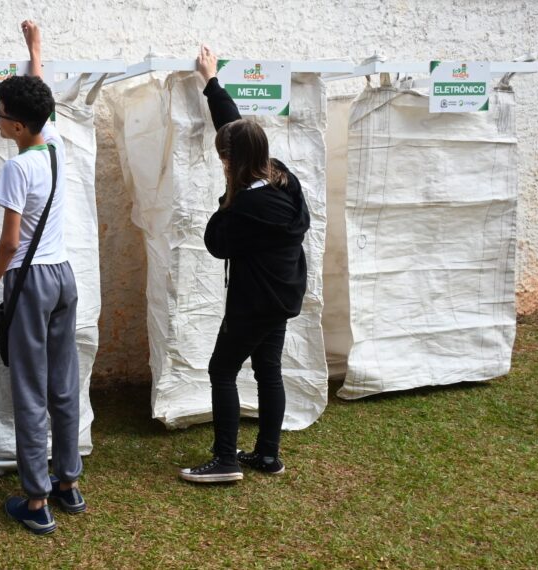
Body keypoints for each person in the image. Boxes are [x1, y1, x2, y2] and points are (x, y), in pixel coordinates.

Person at [178, 45, 310, 483]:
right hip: (283, 296)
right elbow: (236, 131)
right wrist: (211, 82)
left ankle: (225, 461)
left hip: (253, 303)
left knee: (222, 370)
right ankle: (268, 456)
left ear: (230, 161)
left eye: (223, 158)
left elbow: (216, 242)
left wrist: (225, 200)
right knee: (268, 368)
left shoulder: (245, 209)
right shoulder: (281, 178)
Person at [0, 20, 86, 534]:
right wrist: (35, 49)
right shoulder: (55, 142)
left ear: (18, 126)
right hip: (64, 277)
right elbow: (42, 96)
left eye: (1, 115)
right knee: (63, 385)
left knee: (28, 390)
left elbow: (9, 243)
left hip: (30, 283)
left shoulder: (16, 169)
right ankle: (68, 483)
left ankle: (37, 502)